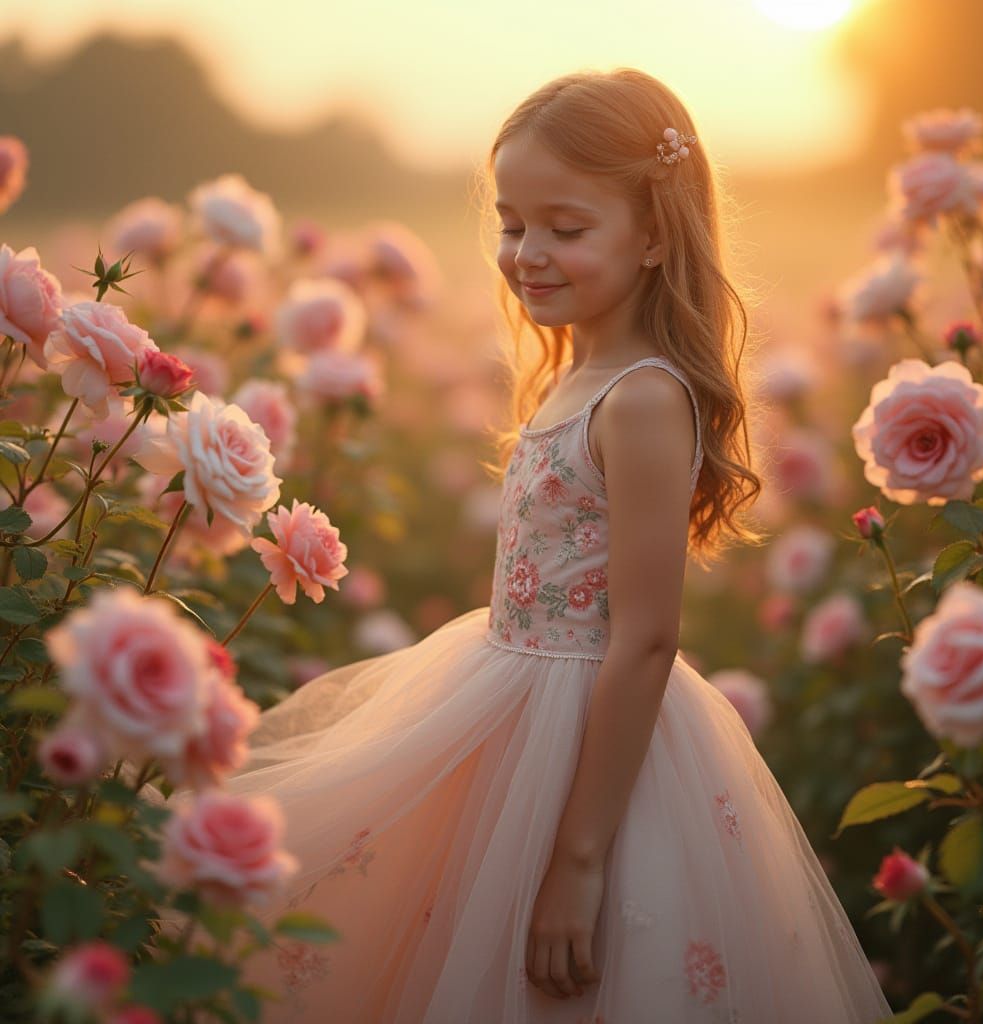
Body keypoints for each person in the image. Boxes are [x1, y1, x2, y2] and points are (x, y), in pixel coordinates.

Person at [224, 68, 895, 1023]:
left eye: (565, 228)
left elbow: (648, 637)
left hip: (589, 739)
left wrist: (579, 858)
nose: (527, 252)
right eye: (511, 223)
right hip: (502, 707)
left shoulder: (646, 398)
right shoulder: (579, 373)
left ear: (656, 234)